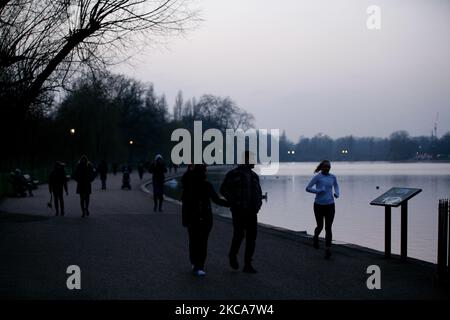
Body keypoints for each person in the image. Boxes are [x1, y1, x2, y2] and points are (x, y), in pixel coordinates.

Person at [182, 164, 229, 276]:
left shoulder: (189, 185)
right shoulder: (205, 185)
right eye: (205, 171)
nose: (206, 173)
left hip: (195, 219)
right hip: (203, 219)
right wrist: (230, 203)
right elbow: (216, 200)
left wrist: (184, 219)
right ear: (202, 172)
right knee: (202, 243)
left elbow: (185, 204)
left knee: (194, 242)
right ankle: (199, 266)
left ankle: (196, 264)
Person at [220, 151, 263, 274]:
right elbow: (223, 189)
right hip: (238, 211)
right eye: (253, 159)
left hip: (252, 211)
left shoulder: (254, 176)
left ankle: (248, 264)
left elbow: (259, 192)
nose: (255, 162)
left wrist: (258, 205)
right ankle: (232, 255)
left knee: (251, 238)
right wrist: (234, 202)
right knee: (239, 235)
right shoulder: (233, 174)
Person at [306, 160, 340, 259]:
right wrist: (318, 191)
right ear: (321, 167)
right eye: (325, 166)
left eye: (328, 167)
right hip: (318, 205)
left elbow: (336, 186)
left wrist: (337, 193)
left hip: (330, 205)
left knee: (328, 228)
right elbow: (308, 188)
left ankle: (327, 249)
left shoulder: (333, 177)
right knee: (320, 226)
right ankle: (315, 237)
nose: (327, 168)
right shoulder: (317, 177)